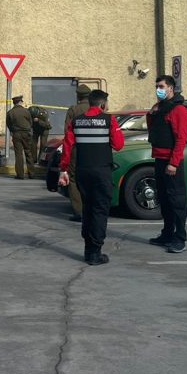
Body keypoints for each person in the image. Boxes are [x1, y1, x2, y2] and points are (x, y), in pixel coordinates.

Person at [59, 89, 124, 265]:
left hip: (82, 171)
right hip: (101, 171)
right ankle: (95, 252)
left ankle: (88, 249)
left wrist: (63, 170)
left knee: (87, 209)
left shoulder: (76, 121)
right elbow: (118, 145)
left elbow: (67, 145)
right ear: (103, 104)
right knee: (100, 210)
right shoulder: (109, 120)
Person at [146, 74, 187, 253]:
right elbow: (153, 130)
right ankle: (167, 233)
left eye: (161, 87)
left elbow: (181, 139)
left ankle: (180, 238)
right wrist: (151, 113)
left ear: (171, 88)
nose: (158, 90)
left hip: (171, 162)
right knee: (163, 199)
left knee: (176, 200)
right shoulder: (161, 108)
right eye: (157, 86)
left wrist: (174, 163)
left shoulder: (178, 109)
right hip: (159, 159)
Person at [62, 84, 92, 222]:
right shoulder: (95, 109)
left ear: (78, 95)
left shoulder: (74, 110)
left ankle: (79, 211)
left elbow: (67, 132)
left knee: (73, 179)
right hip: (93, 149)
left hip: (76, 148)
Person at [6, 95, 35, 179]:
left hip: (16, 134)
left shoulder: (10, 112)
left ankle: (20, 174)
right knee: (28, 153)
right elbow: (30, 122)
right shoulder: (26, 111)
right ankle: (31, 173)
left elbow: (9, 124)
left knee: (18, 154)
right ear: (20, 102)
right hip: (26, 134)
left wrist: (13, 131)